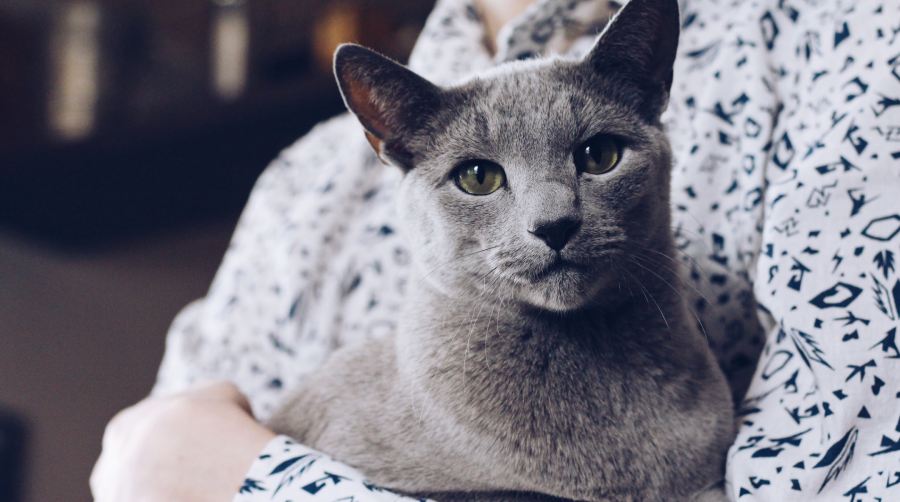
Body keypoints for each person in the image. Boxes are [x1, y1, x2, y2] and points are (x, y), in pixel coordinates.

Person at [91, 0, 900, 500]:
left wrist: (262, 485)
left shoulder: (848, 47)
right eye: (478, 175)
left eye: (596, 158)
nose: (550, 214)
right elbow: (145, 469)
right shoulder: (303, 188)